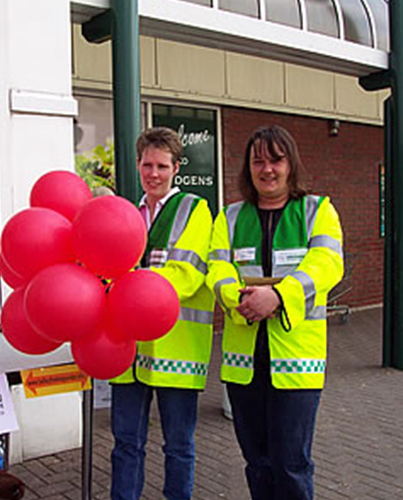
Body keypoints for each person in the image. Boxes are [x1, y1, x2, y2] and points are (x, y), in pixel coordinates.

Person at [206, 125, 344, 500]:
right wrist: (239, 299)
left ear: (290, 164)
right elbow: (216, 269)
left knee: (291, 465)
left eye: (276, 160)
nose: (267, 169)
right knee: (257, 462)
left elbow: (326, 265)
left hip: (297, 362)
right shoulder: (229, 217)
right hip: (244, 363)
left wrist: (279, 297)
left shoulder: (318, 211)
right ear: (248, 168)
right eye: (258, 161)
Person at [110, 127, 214, 500]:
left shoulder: (194, 209)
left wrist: (128, 282)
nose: (153, 173)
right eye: (146, 165)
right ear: (138, 165)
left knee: (179, 446)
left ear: (176, 168)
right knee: (125, 443)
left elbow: (186, 276)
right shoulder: (125, 214)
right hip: (128, 351)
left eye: (161, 166)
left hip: (176, 349)